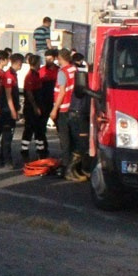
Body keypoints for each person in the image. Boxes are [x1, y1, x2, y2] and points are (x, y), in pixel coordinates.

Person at [49, 48, 78, 179]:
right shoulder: (74, 69)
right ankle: (74, 166)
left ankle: (66, 168)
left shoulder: (62, 72)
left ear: (60, 59)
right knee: (73, 141)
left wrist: (54, 109)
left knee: (65, 141)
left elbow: (61, 92)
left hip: (64, 109)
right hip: (74, 108)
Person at [66, 52, 92, 182]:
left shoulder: (90, 78)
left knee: (84, 144)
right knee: (80, 144)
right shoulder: (80, 78)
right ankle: (70, 171)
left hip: (82, 113)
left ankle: (80, 169)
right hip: (77, 113)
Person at [0, 53, 23, 166]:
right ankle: (7, 159)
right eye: (21, 63)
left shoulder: (13, 74)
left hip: (9, 108)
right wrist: (13, 110)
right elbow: (8, 95)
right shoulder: (9, 75)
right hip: (7, 110)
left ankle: (4, 157)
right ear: (17, 63)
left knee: (8, 135)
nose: (21, 66)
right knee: (7, 135)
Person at [20, 52, 46, 162]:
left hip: (36, 106)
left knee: (39, 130)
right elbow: (30, 93)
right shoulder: (30, 76)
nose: (40, 65)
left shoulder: (36, 74)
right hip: (31, 108)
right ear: (35, 64)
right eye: (39, 63)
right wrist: (35, 107)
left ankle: (41, 151)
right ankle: (24, 151)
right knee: (29, 129)